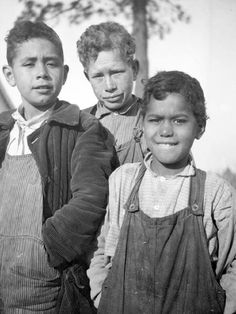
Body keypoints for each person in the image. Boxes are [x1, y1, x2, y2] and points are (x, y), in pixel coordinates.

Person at [87, 70, 236, 313]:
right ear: (143, 124)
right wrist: (101, 297)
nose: (165, 130)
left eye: (179, 120)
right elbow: (103, 249)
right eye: (155, 120)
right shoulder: (122, 181)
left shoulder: (216, 192)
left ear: (200, 127)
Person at [0, 20, 116, 313]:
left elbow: (91, 199)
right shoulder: (2, 132)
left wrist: (48, 246)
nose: (41, 73)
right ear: (9, 75)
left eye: (51, 63)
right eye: (29, 64)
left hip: (52, 293)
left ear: (64, 74)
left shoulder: (83, 129)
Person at [76, 21, 147, 165]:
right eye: (98, 76)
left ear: (134, 69)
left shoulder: (153, 118)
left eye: (116, 73)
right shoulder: (78, 124)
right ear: (87, 77)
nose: (109, 86)